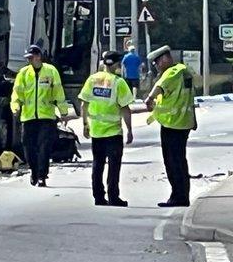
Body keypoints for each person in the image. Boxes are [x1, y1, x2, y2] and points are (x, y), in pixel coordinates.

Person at [79, 51, 134, 207]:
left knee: (98, 164)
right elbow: (125, 109)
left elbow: (84, 104)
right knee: (114, 166)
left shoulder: (92, 79)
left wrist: (85, 124)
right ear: (116, 64)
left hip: (96, 131)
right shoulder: (118, 83)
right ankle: (113, 197)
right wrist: (129, 130)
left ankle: (98, 197)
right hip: (113, 132)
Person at [144, 46, 197, 207]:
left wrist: (149, 99)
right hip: (182, 122)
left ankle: (178, 197)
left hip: (173, 123)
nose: (157, 66)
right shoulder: (184, 71)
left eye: (157, 62)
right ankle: (181, 195)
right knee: (179, 160)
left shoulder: (174, 71)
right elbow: (189, 97)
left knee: (173, 162)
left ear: (166, 58)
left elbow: (161, 85)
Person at [11, 44, 69, 187]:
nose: (29, 60)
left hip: (46, 117)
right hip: (28, 117)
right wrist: (15, 107)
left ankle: (42, 176)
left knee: (44, 147)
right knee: (28, 146)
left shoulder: (50, 71)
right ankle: (34, 171)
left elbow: (58, 92)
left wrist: (63, 112)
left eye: (31, 57)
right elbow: (16, 94)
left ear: (39, 56)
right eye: (28, 58)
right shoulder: (23, 73)